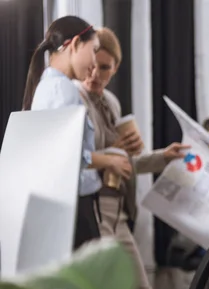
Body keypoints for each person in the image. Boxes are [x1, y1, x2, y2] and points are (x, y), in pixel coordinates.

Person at [74, 27, 188, 289]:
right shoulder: (73, 99)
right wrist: (113, 150)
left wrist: (163, 156)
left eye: (104, 68)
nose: (95, 75)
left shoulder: (111, 102)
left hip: (119, 210)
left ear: (115, 68)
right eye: (91, 66)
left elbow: (126, 163)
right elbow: (75, 158)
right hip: (93, 209)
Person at [22, 16, 131, 250]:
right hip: (76, 203)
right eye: (93, 51)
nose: (94, 64)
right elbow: (73, 156)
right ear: (74, 45)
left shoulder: (47, 85)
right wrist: (111, 159)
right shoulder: (64, 90)